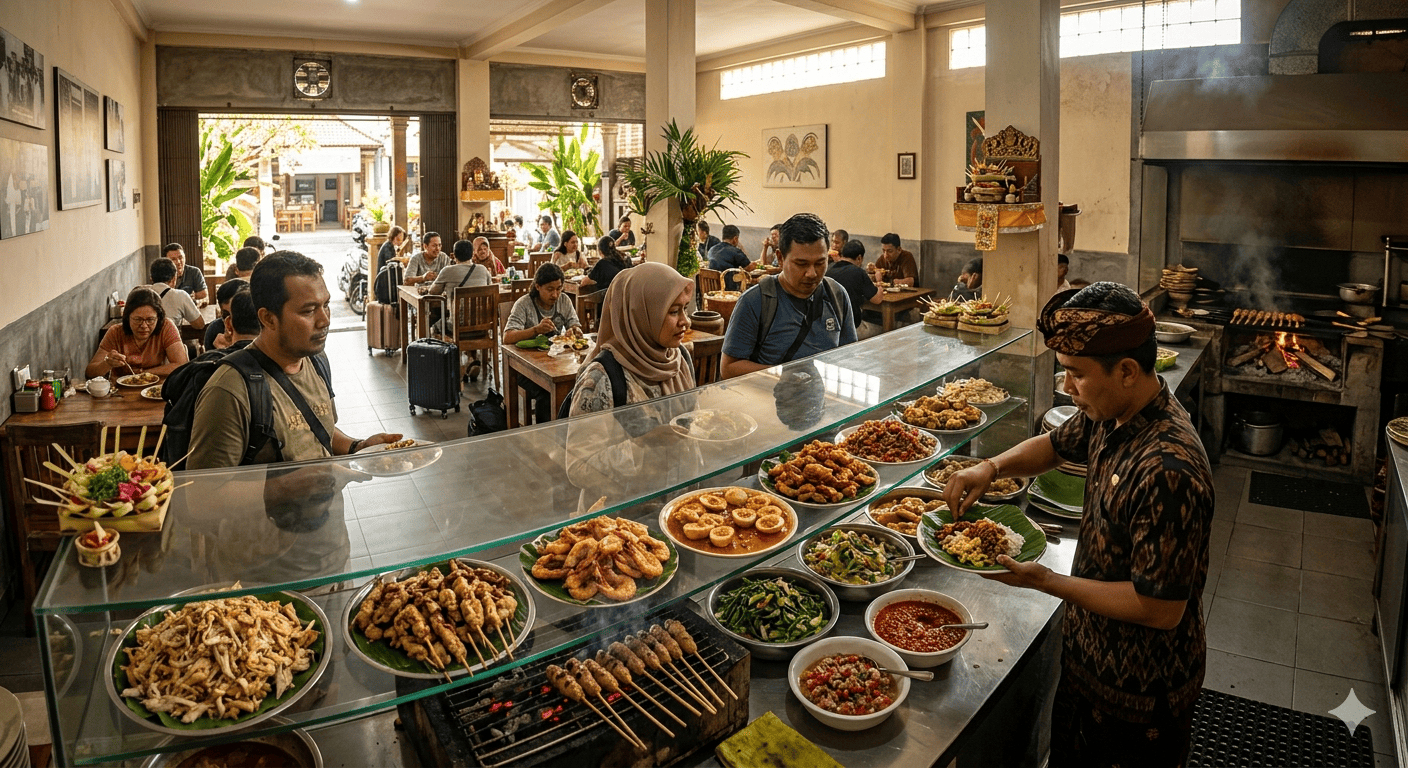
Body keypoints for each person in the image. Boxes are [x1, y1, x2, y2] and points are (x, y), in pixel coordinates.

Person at [942, 282, 1213, 768]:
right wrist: (991, 468)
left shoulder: (1168, 468)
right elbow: (1056, 445)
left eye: (1075, 375)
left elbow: (1159, 607)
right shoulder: (1114, 413)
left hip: (1139, 697)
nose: (1067, 387)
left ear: (1127, 370)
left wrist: (1048, 581)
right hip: (1089, 664)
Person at [186, 251, 401, 470]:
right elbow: (205, 493)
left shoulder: (316, 361)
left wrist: (358, 447)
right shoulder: (229, 390)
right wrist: (298, 483)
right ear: (268, 318)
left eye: (325, 305)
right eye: (309, 311)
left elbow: (317, 430)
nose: (324, 320)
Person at [565, 262, 698, 511]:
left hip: (677, 508)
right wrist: (644, 446)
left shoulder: (678, 358)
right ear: (640, 313)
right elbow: (578, 467)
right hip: (619, 523)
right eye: (673, 312)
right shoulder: (602, 377)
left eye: (685, 310)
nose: (685, 322)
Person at [720, 213, 856, 379]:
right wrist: (784, 376)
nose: (812, 273)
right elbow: (729, 368)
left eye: (820, 263)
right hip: (769, 400)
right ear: (780, 258)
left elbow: (849, 356)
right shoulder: (756, 301)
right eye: (801, 264)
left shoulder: (836, 294)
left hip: (823, 399)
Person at [503, 263, 582, 422]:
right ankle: (545, 437)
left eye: (559, 288)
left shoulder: (564, 300)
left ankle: (567, 431)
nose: (555, 294)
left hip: (553, 364)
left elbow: (575, 324)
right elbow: (507, 337)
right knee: (546, 393)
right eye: (550, 289)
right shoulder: (524, 304)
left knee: (578, 384)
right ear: (537, 286)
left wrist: (574, 330)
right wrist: (535, 330)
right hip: (525, 367)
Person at [86, 287, 190, 378]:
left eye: (150, 320)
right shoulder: (115, 332)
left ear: (159, 318)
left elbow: (181, 364)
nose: (144, 326)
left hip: (155, 390)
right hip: (120, 394)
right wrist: (107, 363)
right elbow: (90, 372)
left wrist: (144, 374)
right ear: (127, 317)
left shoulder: (166, 327)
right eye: (138, 319)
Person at [827, 240, 884, 339]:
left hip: (829, 327)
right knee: (885, 329)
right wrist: (879, 281)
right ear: (859, 258)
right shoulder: (858, 272)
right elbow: (877, 299)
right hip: (852, 328)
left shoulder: (829, 269)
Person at [144, 257, 206, 330]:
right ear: (174, 279)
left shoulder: (140, 294)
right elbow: (200, 325)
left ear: (151, 279)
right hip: (170, 340)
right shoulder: (181, 295)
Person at [204, 277, 249, 350]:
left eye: (237, 315)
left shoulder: (262, 328)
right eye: (226, 315)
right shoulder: (215, 329)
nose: (230, 322)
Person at [707, 225, 751, 290]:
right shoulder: (735, 251)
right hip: (728, 291)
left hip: (712, 290)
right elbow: (748, 266)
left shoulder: (712, 249)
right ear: (735, 239)